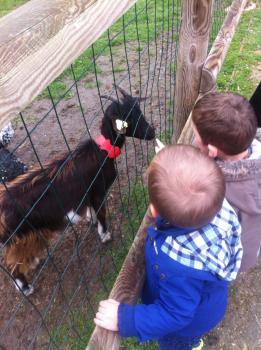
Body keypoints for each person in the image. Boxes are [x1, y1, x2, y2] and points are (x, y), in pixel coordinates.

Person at [94, 144, 243, 350]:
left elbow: (174, 314)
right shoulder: (217, 209)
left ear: (154, 211)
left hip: (185, 326)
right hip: (206, 303)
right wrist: (172, 166)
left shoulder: (178, 265)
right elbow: (188, 184)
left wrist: (125, 319)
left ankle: (191, 345)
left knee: (175, 345)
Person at [192, 92, 261, 272]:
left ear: (212, 151)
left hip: (231, 260)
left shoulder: (219, 190)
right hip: (251, 250)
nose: (194, 140)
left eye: (196, 136)